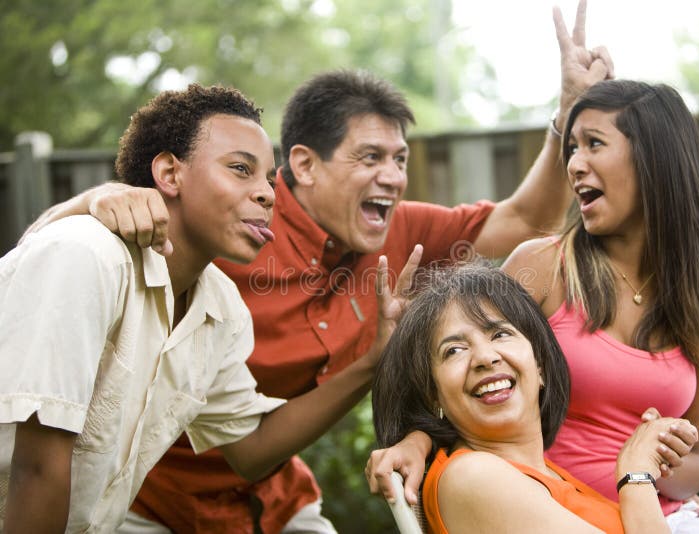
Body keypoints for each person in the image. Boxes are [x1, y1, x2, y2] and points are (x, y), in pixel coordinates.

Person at [22, 2, 613, 530]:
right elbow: (51, 259)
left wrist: (567, 115)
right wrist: (93, 199)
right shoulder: (226, 237)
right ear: (303, 165)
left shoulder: (393, 232)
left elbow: (526, 218)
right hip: (150, 507)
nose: (394, 176)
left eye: (400, 159)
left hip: (274, 499)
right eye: (371, 156)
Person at [366, 80, 699, 533]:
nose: (574, 164)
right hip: (554, 514)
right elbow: (470, 377)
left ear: (656, 159)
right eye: (571, 148)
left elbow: (698, 460)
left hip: (655, 518)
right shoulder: (542, 266)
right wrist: (416, 441)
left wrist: (654, 464)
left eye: (594, 144)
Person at [0, 84, 420, 532]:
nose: (267, 195)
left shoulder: (219, 308)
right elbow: (35, 471)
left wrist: (373, 361)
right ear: (169, 172)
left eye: (268, 180)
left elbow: (253, 449)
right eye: (241, 169)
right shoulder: (89, 257)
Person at [372, 262, 699, 533]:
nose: (485, 357)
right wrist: (636, 474)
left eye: (500, 333)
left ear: (539, 365)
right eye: (454, 350)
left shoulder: (544, 474)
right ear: (433, 395)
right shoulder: (473, 477)